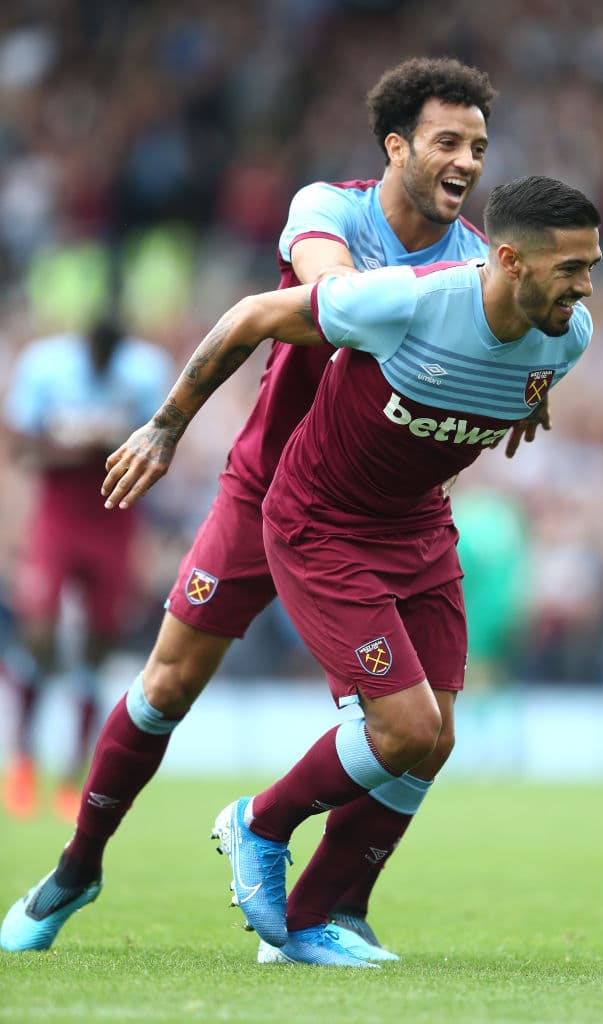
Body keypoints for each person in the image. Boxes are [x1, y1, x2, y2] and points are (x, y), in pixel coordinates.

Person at [0, 58, 547, 961]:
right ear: (396, 147)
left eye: (479, 148)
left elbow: (518, 338)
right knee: (169, 683)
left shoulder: (474, 265)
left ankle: (321, 908)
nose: (465, 163)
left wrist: (528, 380)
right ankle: (74, 869)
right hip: (268, 490)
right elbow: (318, 296)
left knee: (423, 733)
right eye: (447, 142)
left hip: (384, 508)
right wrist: (168, 427)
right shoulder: (328, 212)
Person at [1, 316, 174, 821]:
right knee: (38, 632)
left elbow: (160, 445)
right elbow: (20, 446)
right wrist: (74, 444)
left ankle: (72, 775)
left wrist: (114, 440)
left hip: (114, 515)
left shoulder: (145, 370)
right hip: (59, 514)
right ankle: (23, 761)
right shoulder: (47, 365)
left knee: (97, 646)